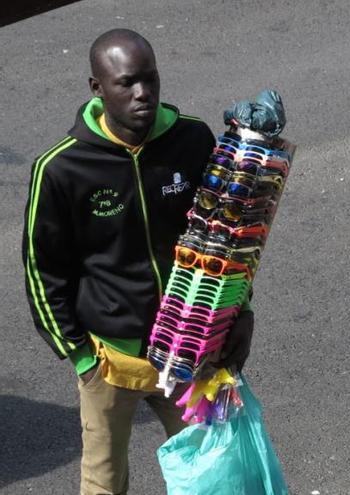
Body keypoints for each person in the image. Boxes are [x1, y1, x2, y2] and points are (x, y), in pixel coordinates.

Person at [22, 28, 254, 495]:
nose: (142, 93)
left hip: (192, 353)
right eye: (126, 83)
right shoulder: (62, 168)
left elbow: (226, 240)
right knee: (103, 483)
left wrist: (240, 313)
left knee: (215, 477)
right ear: (97, 88)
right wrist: (81, 357)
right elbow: (43, 270)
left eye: (150, 79)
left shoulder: (192, 139)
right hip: (111, 359)